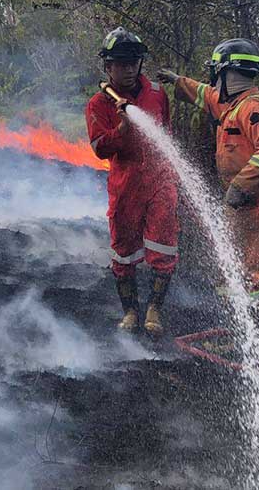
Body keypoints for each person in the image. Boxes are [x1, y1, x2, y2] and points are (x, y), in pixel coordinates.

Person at [156, 38, 259, 348]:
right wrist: (178, 81)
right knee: (230, 272)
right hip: (240, 203)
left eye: (217, 73)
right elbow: (206, 94)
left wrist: (241, 187)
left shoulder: (254, 108)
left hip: (256, 203)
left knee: (250, 276)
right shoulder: (232, 104)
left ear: (228, 72)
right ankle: (244, 339)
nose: (215, 80)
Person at [85, 28, 179, 335]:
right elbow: (99, 148)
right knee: (123, 250)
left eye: (133, 62)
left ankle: (154, 311)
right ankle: (130, 313)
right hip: (126, 184)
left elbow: (166, 134)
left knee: (162, 247)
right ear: (108, 67)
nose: (128, 69)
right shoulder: (99, 104)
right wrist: (121, 131)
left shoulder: (156, 94)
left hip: (160, 180)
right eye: (120, 64)